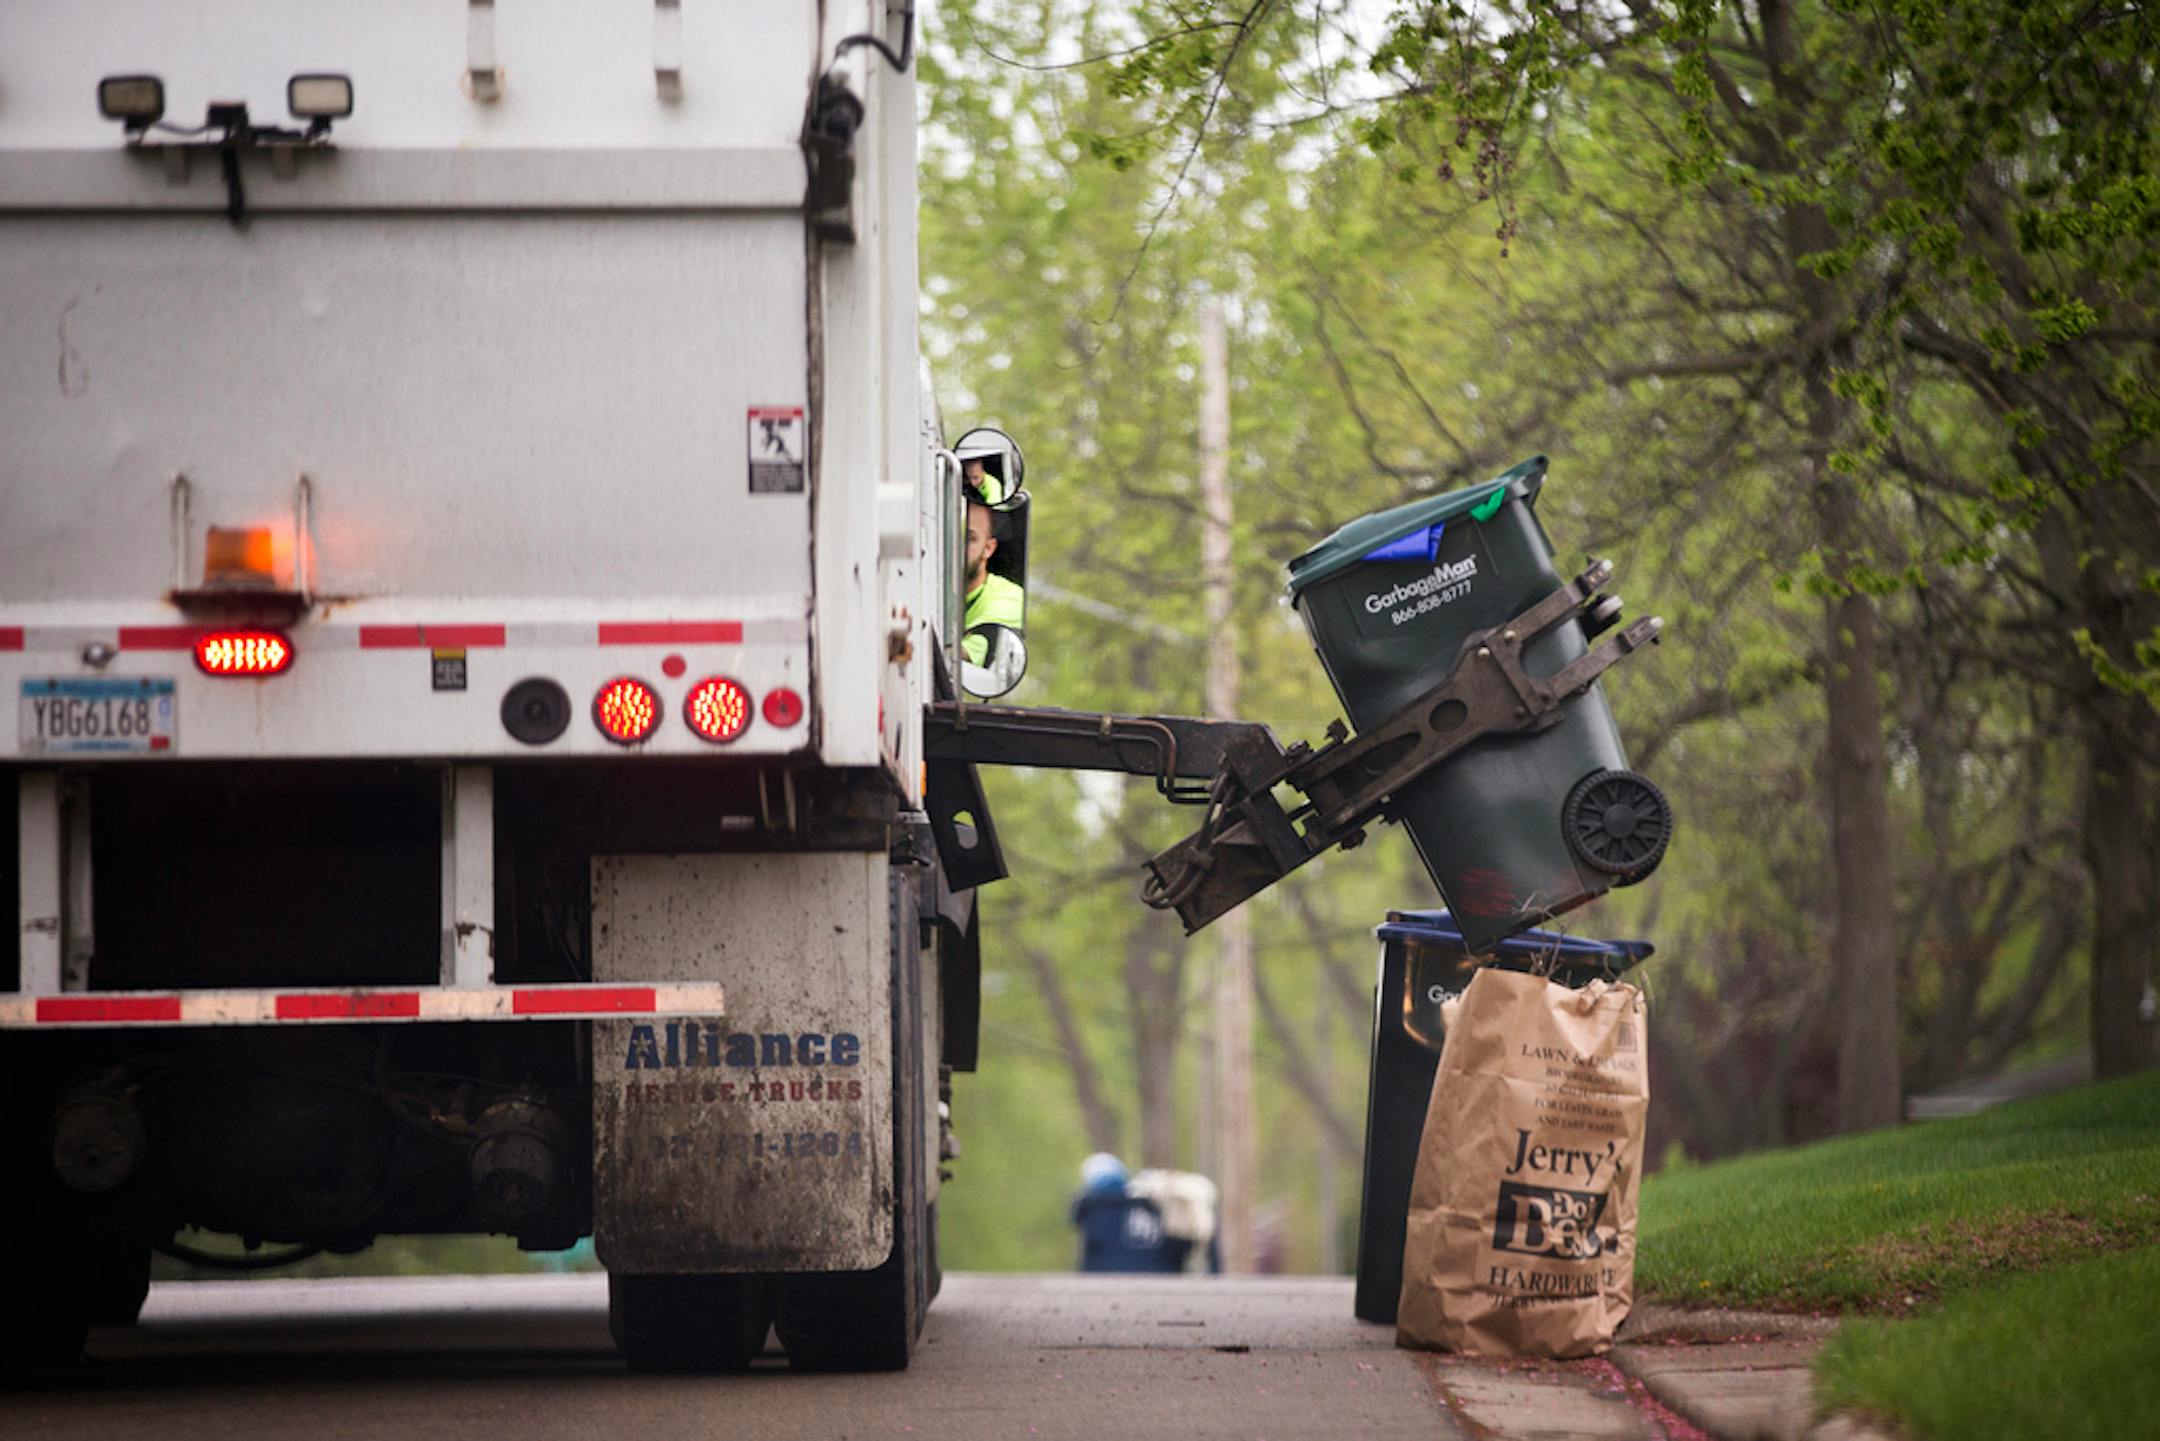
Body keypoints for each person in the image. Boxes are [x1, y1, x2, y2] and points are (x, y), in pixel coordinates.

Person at [961, 469, 1024, 667]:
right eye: (950, 534)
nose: (955, 547)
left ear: (988, 548)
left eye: (968, 538)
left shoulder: (1010, 599)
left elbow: (956, 658)